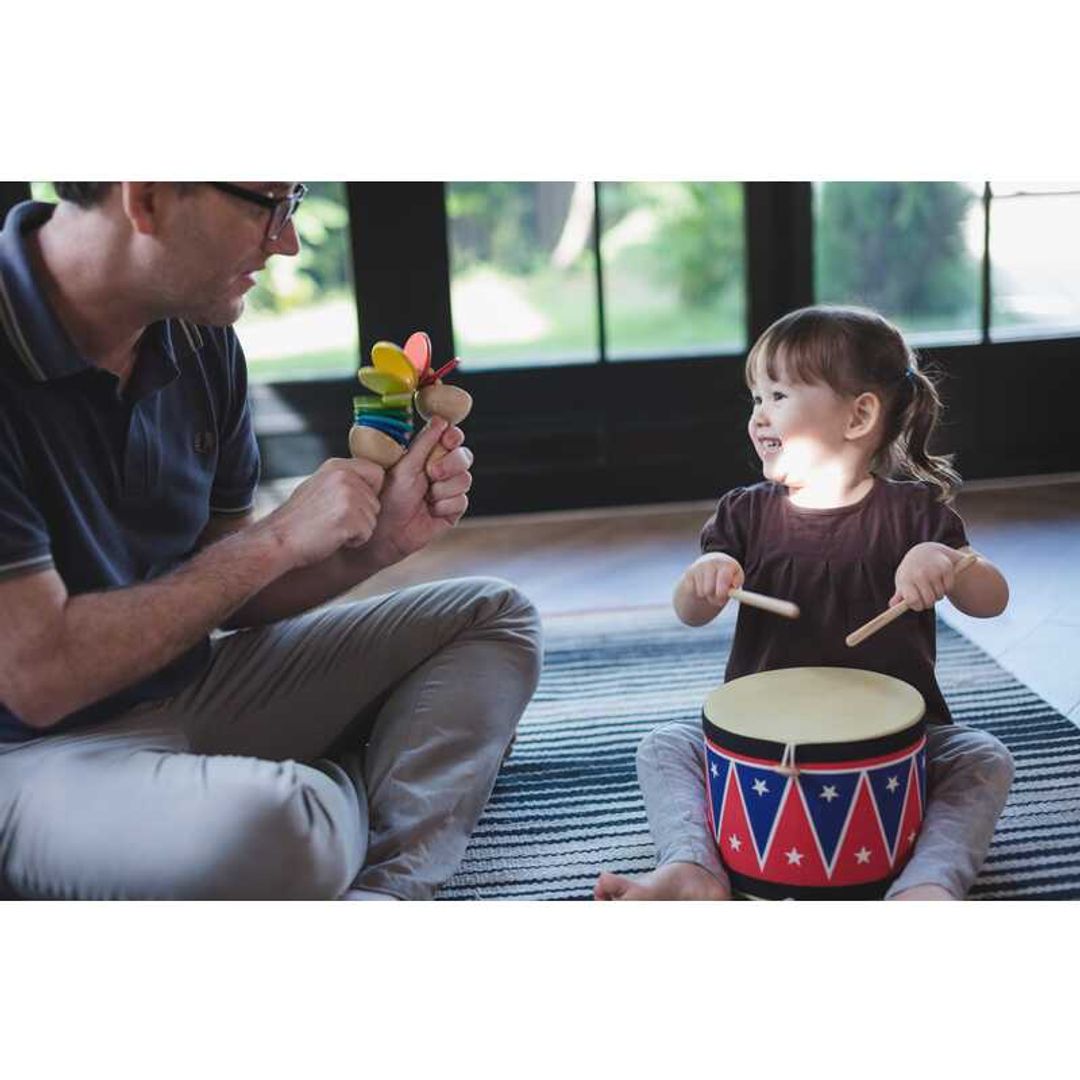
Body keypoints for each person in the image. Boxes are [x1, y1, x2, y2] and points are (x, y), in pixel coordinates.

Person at [0, 182, 542, 900]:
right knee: (281, 828)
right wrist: (280, 535)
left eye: (295, 203)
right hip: (34, 752)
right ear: (147, 196)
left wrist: (374, 544)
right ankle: (356, 772)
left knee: (494, 615)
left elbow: (228, 593)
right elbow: (38, 680)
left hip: (192, 686)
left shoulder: (197, 338)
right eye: (268, 205)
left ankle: (384, 887)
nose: (286, 241)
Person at [594, 305, 1014, 902]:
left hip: (895, 743)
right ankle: (693, 868)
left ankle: (926, 885)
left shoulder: (915, 513)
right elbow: (690, 611)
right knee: (666, 745)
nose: (758, 415)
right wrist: (702, 577)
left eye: (778, 395)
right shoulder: (744, 513)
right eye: (755, 398)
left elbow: (992, 599)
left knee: (982, 756)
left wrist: (945, 561)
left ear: (858, 415)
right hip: (763, 743)